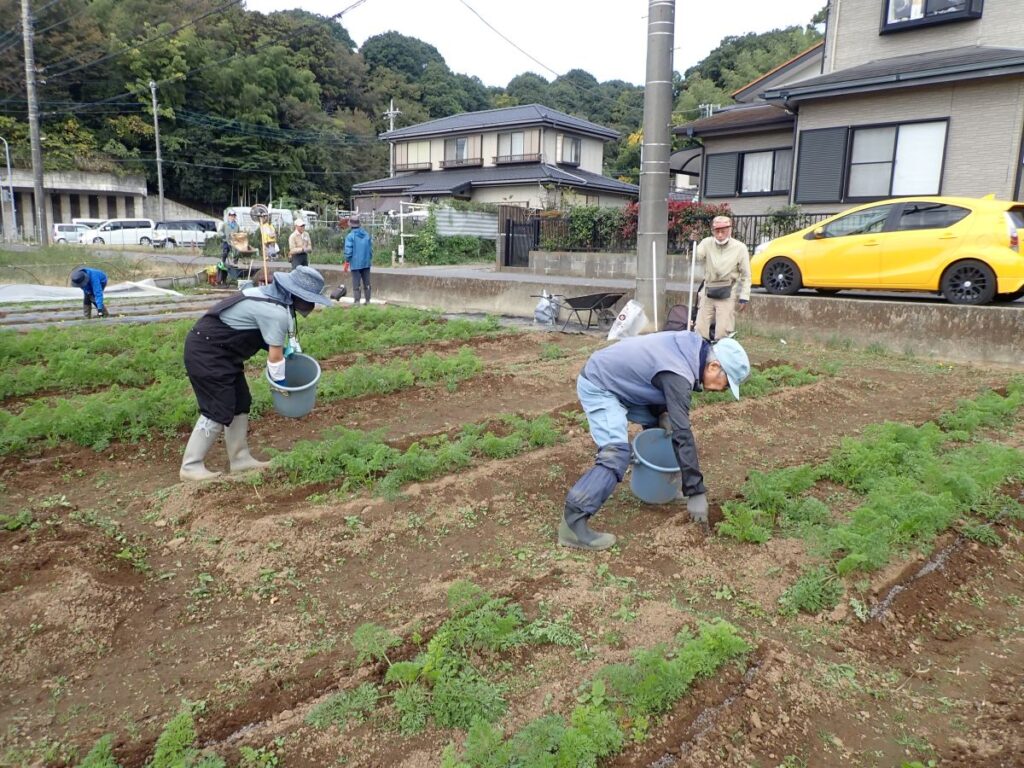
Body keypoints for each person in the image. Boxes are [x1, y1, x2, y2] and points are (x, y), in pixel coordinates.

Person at [559, 331, 751, 551]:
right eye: (726, 384)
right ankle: (573, 523)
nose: (723, 390)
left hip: (624, 381)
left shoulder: (692, 349)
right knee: (616, 454)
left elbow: (654, 373)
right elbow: (683, 433)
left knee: (662, 428)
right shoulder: (680, 372)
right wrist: (696, 491)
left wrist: (661, 413)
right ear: (714, 366)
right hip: (601, 383)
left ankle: (659, 489)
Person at [180, 265, 332, 482]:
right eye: (309, 299)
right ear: (296, 295)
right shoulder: (275, 312)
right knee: (218, 405)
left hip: (224, 352)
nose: (310, 305)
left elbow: (254, 330)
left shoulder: (268, 295)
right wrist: (282, 387)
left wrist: (286, 350)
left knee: (240, 402)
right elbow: (275, 359)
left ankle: (240, 459)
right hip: (208, 352)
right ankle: (191, 466)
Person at [693, 216, 751, 341]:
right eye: (717, 231)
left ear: (730, 230)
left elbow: (746, 275)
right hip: (708, 290)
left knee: (723, 330)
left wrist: (744, 296)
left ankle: (721, 351)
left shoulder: (740, 248)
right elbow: (698, 256)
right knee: (700, 328)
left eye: (723, 231)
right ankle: (701, 350)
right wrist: (693, 243)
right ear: (712, 231)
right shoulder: (706, 243)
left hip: (727, 291)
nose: (719, 235)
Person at [343, 214, 373, 304]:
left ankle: (357, 301)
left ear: (351, 225)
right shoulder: (366, 235)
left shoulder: (350, 236)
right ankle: (368, 301)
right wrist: (369, 259)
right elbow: (371, 250)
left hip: (355, 264)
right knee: (367, 283)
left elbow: (348, 251)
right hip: (366, 263)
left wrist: (347, 261)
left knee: (356, 283)